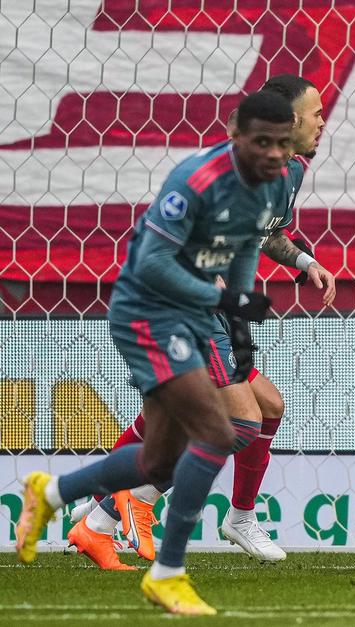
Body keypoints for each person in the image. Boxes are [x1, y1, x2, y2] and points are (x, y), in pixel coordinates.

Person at [15, 90, 298, 616]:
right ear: (235, 137)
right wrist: (223, 299)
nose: (275, 154)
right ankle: (168, 574)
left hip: (195, 314)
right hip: (147, 312)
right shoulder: (193, 184)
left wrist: (238, 330)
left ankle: (51, 493)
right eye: (262, 142)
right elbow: (152, 266)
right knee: (223, 430)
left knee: (158, 459)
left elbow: (244, 251)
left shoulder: (274, 182)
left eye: (283, 144)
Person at [65, 74, 333, 569]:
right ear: (289, 120)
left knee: (264, 407)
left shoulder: (288, 172)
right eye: (316, 113)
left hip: (216, 313)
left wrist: (301, 262)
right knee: (237, 421)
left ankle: (220, 518)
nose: (323, 121)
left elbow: (265, 234)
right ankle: (129, 502)